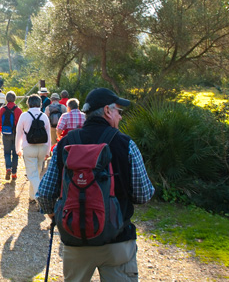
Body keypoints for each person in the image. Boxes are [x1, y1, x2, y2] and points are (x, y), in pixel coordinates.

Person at [37, 87, 155, 281]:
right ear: (108, 111)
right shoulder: (126, 144)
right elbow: (143, 194)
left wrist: (56, 215)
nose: (121, 117)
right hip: (117, 241)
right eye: (119, 111)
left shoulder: (65, 144)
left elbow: (45, 194)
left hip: (75, 242)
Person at [15, 94, 51, 204]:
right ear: (40, 104)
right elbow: (48, 135)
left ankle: (40, 196)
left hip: (29, 147)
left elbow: (19, 133)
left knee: (32, 174)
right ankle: (32, 196)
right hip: (43, 147)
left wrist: (18, 149)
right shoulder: (44, 116)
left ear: (28, 104)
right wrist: (48, 151)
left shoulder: (24, 115)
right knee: (36, 173)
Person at [0, 91, 23, 180]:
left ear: (6, 99)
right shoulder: (18, 110)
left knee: (7, 153)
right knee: (15, 154)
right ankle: (14, 173)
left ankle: (8, 168)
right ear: (15, 99)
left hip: (6, 133)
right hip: (16, 134)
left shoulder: (2, 109)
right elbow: (21, 123)